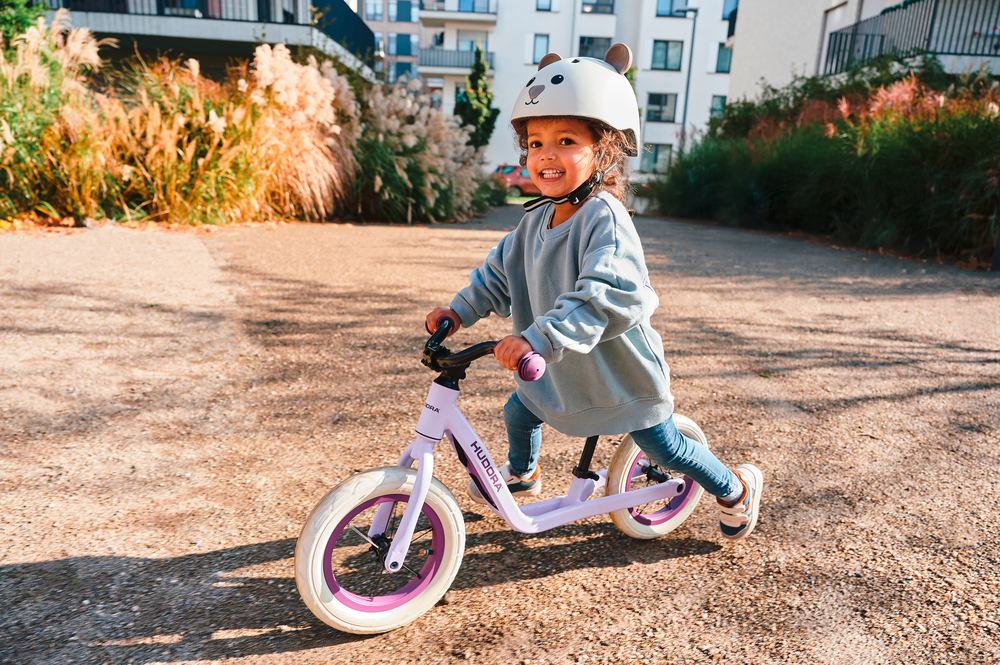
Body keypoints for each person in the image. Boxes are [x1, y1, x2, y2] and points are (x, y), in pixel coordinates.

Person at [425, 44, 762, 541]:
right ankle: (524, 474)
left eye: (565, 140)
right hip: (558, 370)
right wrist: (459, 310)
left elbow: (604, 293)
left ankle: (734, 489)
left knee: (664, 446)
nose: (546, 155)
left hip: (617, 372)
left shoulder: (606, 217)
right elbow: (497, 275)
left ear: (604, 150)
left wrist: (539, 336)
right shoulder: (533, 220)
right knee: (518, 410)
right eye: (536, 143)